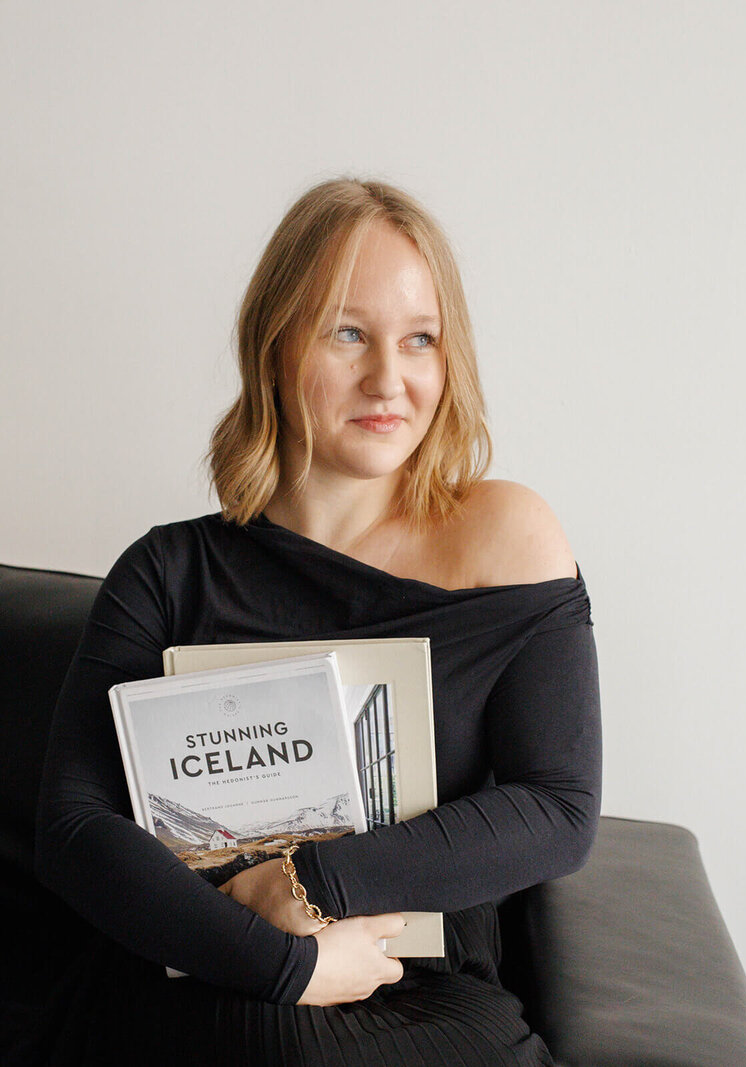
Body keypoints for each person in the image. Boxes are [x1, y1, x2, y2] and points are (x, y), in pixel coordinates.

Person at [34, 176, 602, 1066]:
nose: (389, 378)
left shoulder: (507, 534)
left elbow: (557, 808)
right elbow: (74, 830)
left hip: (422, 998)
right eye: (349, 332)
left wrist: (310, 881)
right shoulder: (167, 570)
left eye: (420, 340)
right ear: (275, 344)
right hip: (208, 979)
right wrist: (281, 964)